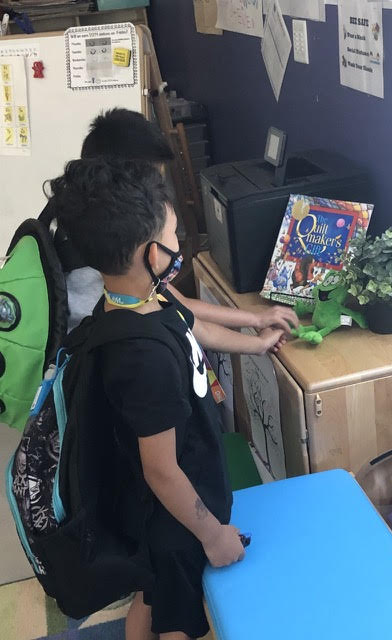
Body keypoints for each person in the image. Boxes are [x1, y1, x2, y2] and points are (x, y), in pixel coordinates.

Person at [51, 158, 286, 640]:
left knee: (152, 594)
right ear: (151, 253)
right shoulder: (143, 361)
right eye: (175, 233)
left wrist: (257, 335)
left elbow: (189, 324)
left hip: (165, 510)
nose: (180, 243)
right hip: (175, 521)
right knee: (179, 620)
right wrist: (213, 535)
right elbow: (161, 470)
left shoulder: (133, 302)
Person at [40, 108, 298, 340]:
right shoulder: (101, 262)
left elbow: (176, 302)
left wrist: (256, 319)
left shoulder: (91, 226)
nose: (159, 196)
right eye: (154, 184)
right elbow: (180, 317)